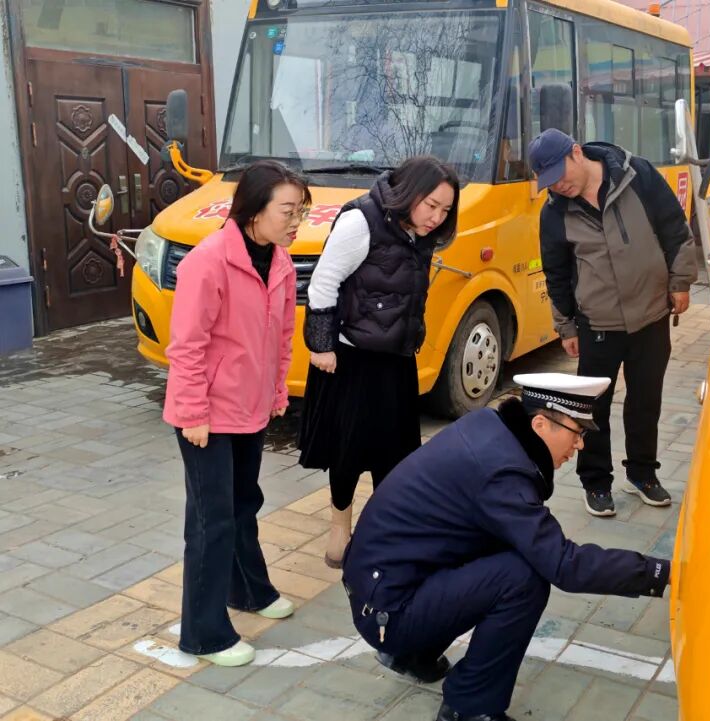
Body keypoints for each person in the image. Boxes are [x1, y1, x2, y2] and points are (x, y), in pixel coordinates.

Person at [342, 373, 671, 721]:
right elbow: (564, 564)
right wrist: (659, 573)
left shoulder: (491, 429)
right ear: (541, 423)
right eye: (577, 432)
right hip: (388, 612)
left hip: (378, 588)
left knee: (508, 546)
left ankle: (414, 653)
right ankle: (470, 708)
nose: (580, 446)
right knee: (523, 579)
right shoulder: (501, 473)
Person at [163, 160, 311, 666]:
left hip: (249, 409)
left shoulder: (281, 261)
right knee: (210, 522)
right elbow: (186, 346)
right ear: (254, 210)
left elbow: (282, 338)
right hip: (205, 415)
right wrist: (191, 414)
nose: (297, 222)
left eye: (301, 211)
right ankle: (203, 633)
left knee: (244, 503)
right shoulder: (208, 262)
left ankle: (249, 591)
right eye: (288, 211)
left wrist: (275, 393)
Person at [297, 156, 460, 569]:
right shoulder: (361, 221)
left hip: (396, 358)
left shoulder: (419, 234)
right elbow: (323, 282)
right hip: (351, 359)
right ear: (410, 193)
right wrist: (321, 346)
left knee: (397, 454)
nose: (437, 218)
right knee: (347, 451)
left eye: (445, 210)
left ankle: (385, 531)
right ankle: (340, 528)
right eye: (432, 206)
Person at [528, 128, 697, 518]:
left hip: (652, 314)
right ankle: (596, 482)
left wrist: (680, 282)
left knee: (645, 400)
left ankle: (643, 474)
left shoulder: (637, 175)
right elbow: (555, 272)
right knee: (593, 409)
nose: (559, 186)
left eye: (560, 175)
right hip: (597, 322)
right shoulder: (555, 211)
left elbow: (674, 228)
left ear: (576, 152)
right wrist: (566, 326)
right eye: (549, 182)